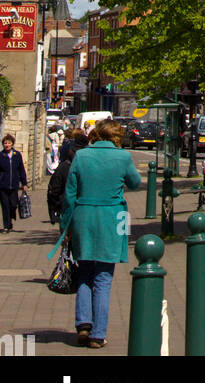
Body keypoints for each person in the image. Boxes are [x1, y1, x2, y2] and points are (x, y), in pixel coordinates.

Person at [52, 119, 141, 348]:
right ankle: (98, 334)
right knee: (103, 277)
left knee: (84, 273)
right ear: (116, 137)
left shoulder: (81, 156)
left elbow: (70, 195)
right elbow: (135, 182)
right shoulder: (122, 157)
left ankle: (83, 324)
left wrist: (66, 225)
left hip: (84, 217)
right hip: (112, 218)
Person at [47, 129, 88, 225]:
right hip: (85, 211)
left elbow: (53, 191)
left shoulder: (64, 167)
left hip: (68, 209)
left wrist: (54, 210)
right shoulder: (91, 166)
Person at [0, 135, 29, 233]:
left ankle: (11, 219)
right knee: (5, 206)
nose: (7, 145)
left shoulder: (17, 155)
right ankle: (6, 226)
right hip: (2, 185)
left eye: (8, 143)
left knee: (13, 205)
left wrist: (24, 183)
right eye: (5, 143)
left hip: (14, 185)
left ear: (12, 144)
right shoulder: (0, 156)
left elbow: (21, 169)